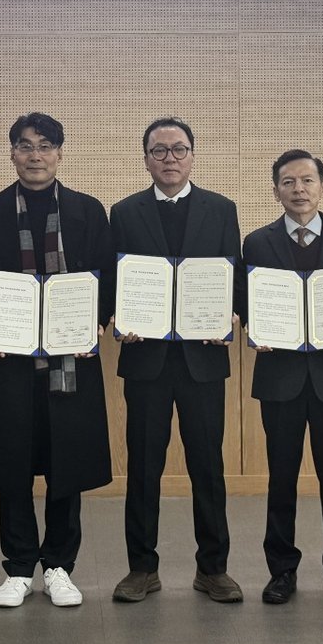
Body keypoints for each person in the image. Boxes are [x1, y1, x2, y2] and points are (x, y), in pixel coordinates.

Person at [0, 112, 113, 609]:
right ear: (12, 154)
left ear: (60, 154)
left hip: (71, 361)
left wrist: (96, 322)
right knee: (12, 465)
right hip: (9, 361)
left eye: (45, 146)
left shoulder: (88, 210)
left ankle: (60, 565)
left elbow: (106, 277)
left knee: (67, 465)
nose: (35, 155)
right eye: (25, 145)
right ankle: (19, 567)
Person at [110, 117, 245, 604]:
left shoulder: (221, 209)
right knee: (143, 467)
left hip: (202, 360)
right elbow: (114, 280)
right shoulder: (124, 212)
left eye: (179, 149)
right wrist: (117, 317)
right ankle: (141, 568)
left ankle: (213, 568)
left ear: (193, 155)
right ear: (146, 159)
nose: (170, 158)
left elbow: (234, 276)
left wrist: (232, 314)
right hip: (145, 359)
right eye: (159, 150)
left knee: (208, 466)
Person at [243, 150, 323, 607]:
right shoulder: (256, 243)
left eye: (307, 180)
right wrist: (255, 329)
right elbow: (246, 303)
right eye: (288, 182)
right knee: (281, 476)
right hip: (280, 378)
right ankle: (281, 570)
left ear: (322, 187)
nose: (299, 189)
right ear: (276, 190)